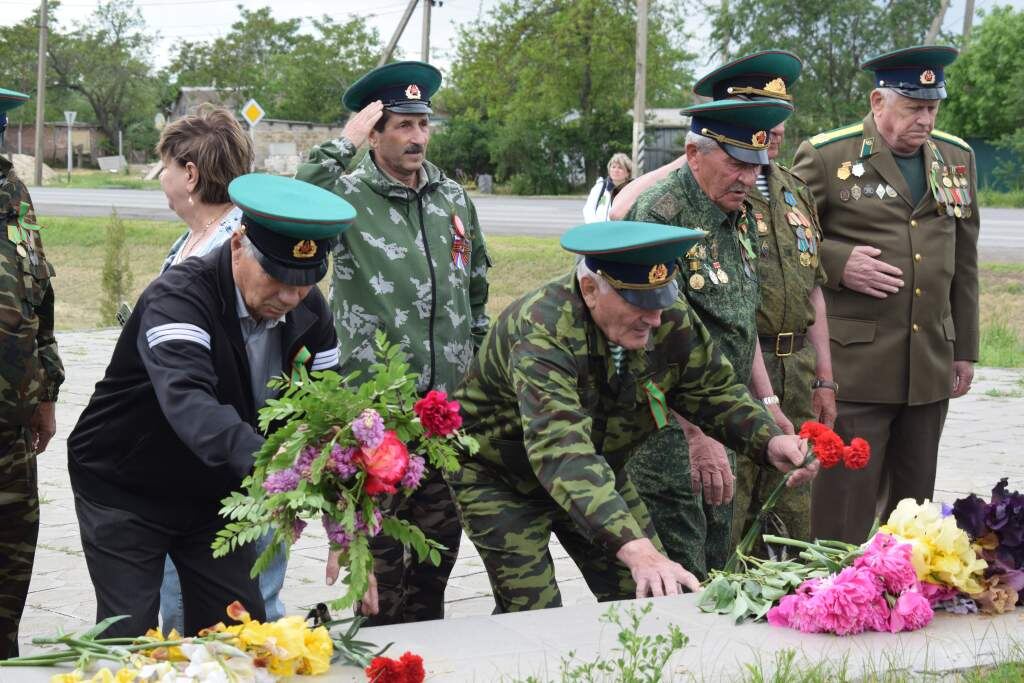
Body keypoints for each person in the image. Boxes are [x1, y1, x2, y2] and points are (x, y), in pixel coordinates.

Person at [448, 221, 818, 612]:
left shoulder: (665, 315)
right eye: (639, 305)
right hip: (501, 477)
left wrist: (768, 440)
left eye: (660, 300)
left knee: (653, 596)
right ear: (590, 290)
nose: (655, 319)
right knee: (533, 608)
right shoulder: (543, 328)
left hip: (597, 469)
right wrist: (635, 547)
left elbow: (712, 390)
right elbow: (560, 449)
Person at [67, 174, 355, 637]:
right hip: (127, 486)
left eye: (303, 284)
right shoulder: (179, 297)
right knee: (131, 638)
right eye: (277, 278)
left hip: (216, 493)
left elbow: (328, 407)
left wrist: (345, 512)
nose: (288, 298)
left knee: (239, 631)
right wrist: (273, 463)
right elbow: (191, 402)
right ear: (239, 244)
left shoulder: (309, 310)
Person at [295, 61, 491, 625]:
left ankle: (424, 652)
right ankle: (378, 652)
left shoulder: (451, 197)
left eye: (423, 125)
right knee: (377, 573)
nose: (417, 138)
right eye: (402, 125)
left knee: (438, 558)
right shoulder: (348, 196)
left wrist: (472, 372)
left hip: (443, 417)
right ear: (375, 131)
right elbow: (296, 203)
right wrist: (342, 144)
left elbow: (476, 286)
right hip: (376, 418)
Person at [792, 45, 979, 544]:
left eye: (932, 107)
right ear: (878, 101)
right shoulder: (828, 155)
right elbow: (784, 241)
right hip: (856, 366)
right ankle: (831, 594)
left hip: (929, 363)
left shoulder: (956, 158)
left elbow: (964, 260)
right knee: (844, 506)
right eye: (913, 107)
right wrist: (835, 262)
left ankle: (900, 597)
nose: (925, 119)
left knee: (914, 509)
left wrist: (964, 351)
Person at [619, 99, 796, 580]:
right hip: (669, 436)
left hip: (723, 420)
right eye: (735, 163)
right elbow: (646, 345)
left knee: (721, 566)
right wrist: (697, 435)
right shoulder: (658, 218)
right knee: (679, 575)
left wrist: (766, 401)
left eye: (755, 166)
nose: (747, 178)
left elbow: (740, 319)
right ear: (693, 153)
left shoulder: (734, 214)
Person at [685, 51, 838, 555]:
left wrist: (824, 377)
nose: (771, 129)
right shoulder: (714, 188)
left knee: (792, 514)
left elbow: (813, 284)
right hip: (737, 370)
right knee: (729, 511)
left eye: (778, 116)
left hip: (795, 368)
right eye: (757, 114)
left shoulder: (795, 192)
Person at [151, 106, 291, 635]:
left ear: (189, 174)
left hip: (236, 460)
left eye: (164, 166)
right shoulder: (192, 244)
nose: (161, 180)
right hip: (193, 457)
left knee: (238, 615)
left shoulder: (242, 253)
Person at [0, 86, 65, 659]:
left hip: (12, 434)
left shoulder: (12, 193)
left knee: (10, 579)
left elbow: (37, 292)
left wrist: (46, 391)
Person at [582, 153, 633, 223]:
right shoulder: (600, 187)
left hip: (621, 232)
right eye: (613, 167)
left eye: (620, 168)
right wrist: (595, 228)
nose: (616, 170)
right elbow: (588, 209)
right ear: (609, 170)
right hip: (599, 231)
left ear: (628, 173)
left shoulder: (632, 191)